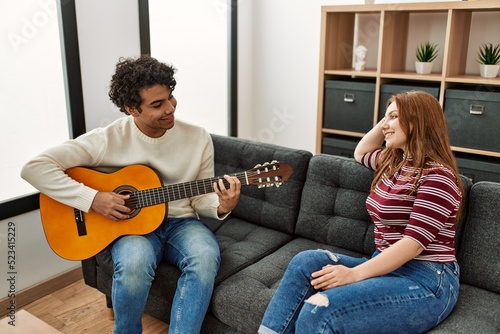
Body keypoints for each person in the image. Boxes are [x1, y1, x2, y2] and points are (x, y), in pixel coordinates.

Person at [21, 54, 241, 334]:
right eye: (157, 104)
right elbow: (34, 168)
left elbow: (199, 198)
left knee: (205, 258)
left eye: (171, 97)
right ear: (131, 109)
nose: (170, 108)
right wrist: (93, 199)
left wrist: (222, 205)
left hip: (182, 223)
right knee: (133, 264)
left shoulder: (197, 137)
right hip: (130, 228)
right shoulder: (106, 139)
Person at [258, 90, 464, 334]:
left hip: (427, 278)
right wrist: (391, 119)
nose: (384, 125)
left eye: (393, 117)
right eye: (384, 118)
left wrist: (354, 274)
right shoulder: (393, 163)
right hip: (386, 264)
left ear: (418, 122)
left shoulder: (438, 177)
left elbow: (413, 244)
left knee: (320, 309)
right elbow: (361, 152)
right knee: (306, 262)